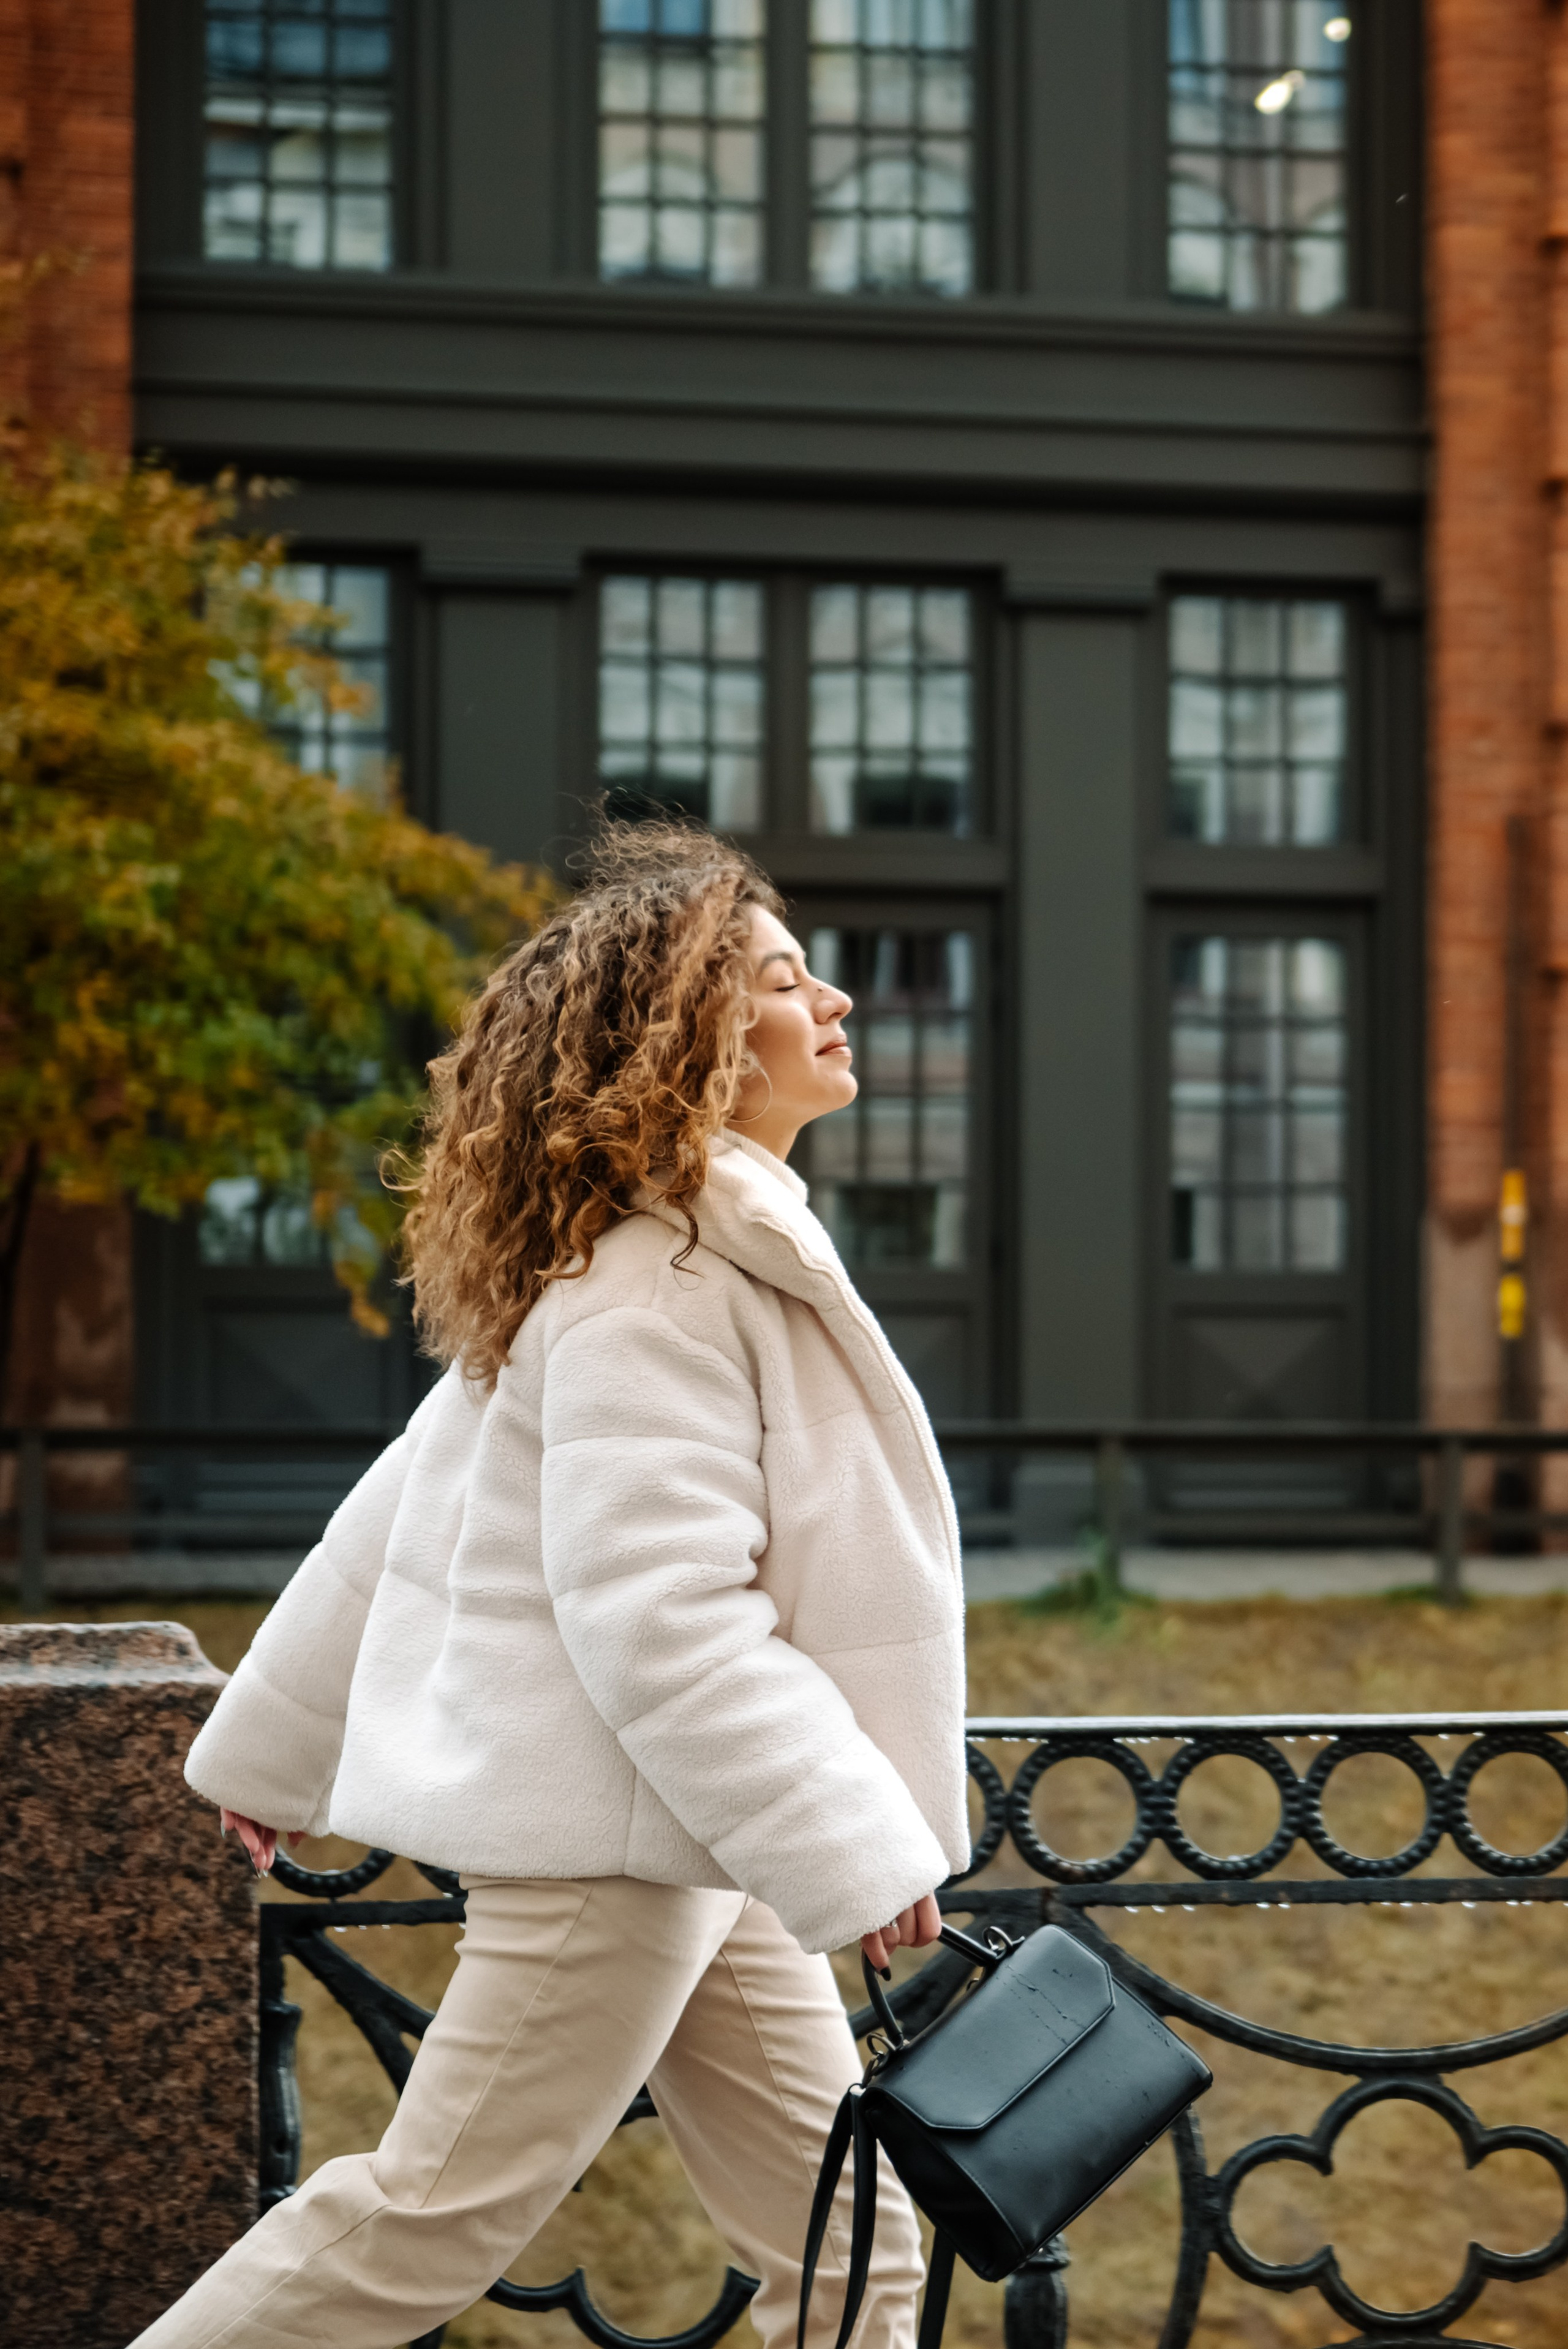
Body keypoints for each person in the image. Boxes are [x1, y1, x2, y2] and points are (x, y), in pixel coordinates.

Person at [132, 821, 970, 2349]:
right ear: (693, 1038)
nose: (833, 999)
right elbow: (662, 1617)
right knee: (422, 2216)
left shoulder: (660, 1255)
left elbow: (417, 1499)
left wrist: (276, 1744)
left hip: (683, 1832)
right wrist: (845, 1833)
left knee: (851, 2251)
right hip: (616, 1849)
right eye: (784, 979)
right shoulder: (661, 1279)